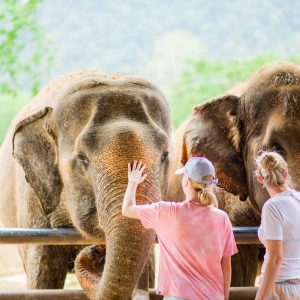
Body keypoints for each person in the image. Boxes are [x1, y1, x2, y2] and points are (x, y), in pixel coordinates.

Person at [122, 157, 238, 300]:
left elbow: (127, 209)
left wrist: (133, 182)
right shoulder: (222, 218)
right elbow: (226, 266)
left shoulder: (166, 211)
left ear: (186, 182)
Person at [255, 151, 300, 300]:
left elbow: (276, 258)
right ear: (286, 174)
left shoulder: (272, 207)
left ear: (260, 178)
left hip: (278, 288)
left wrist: (260, 297)